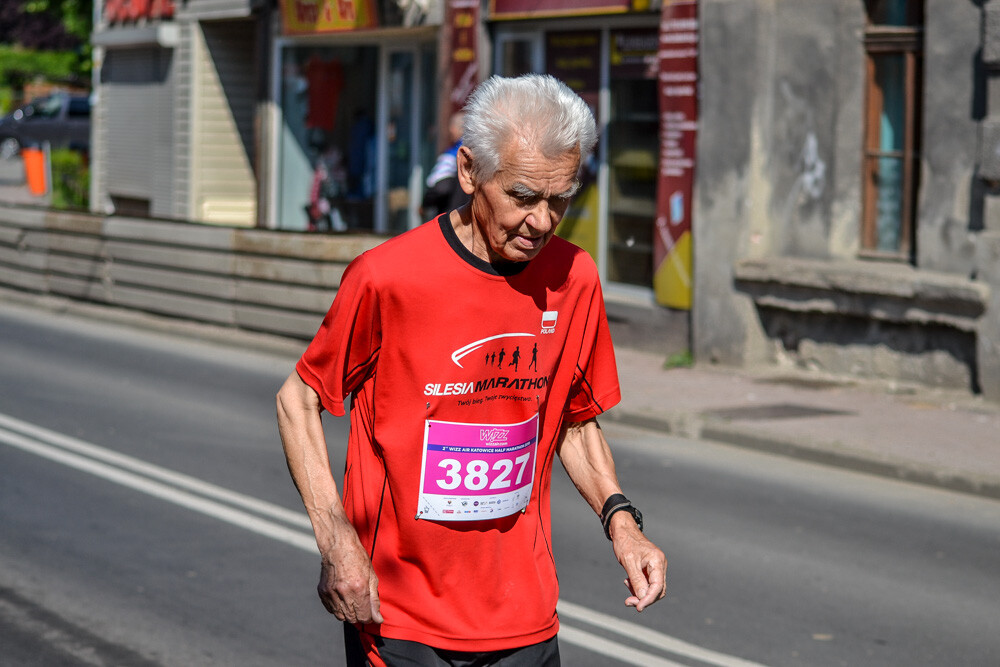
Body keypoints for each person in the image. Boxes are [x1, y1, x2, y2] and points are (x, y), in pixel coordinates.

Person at [276, 73, 666, 667]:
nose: (542, 222)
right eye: (523, 196)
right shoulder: (388, 278)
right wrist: (337, 542)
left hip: (524, 614)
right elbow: (298, 399)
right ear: (468, 173)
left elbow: (574, 420)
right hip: (401, 616)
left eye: (560, 198)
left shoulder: (574, 277)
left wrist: (622, 522)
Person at [421, 111, 471, 219]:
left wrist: (425, 205)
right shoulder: (480, 153)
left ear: (454, 129)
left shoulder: (453, 154)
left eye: (450, 127)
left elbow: (440, 187)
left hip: (451, 218)